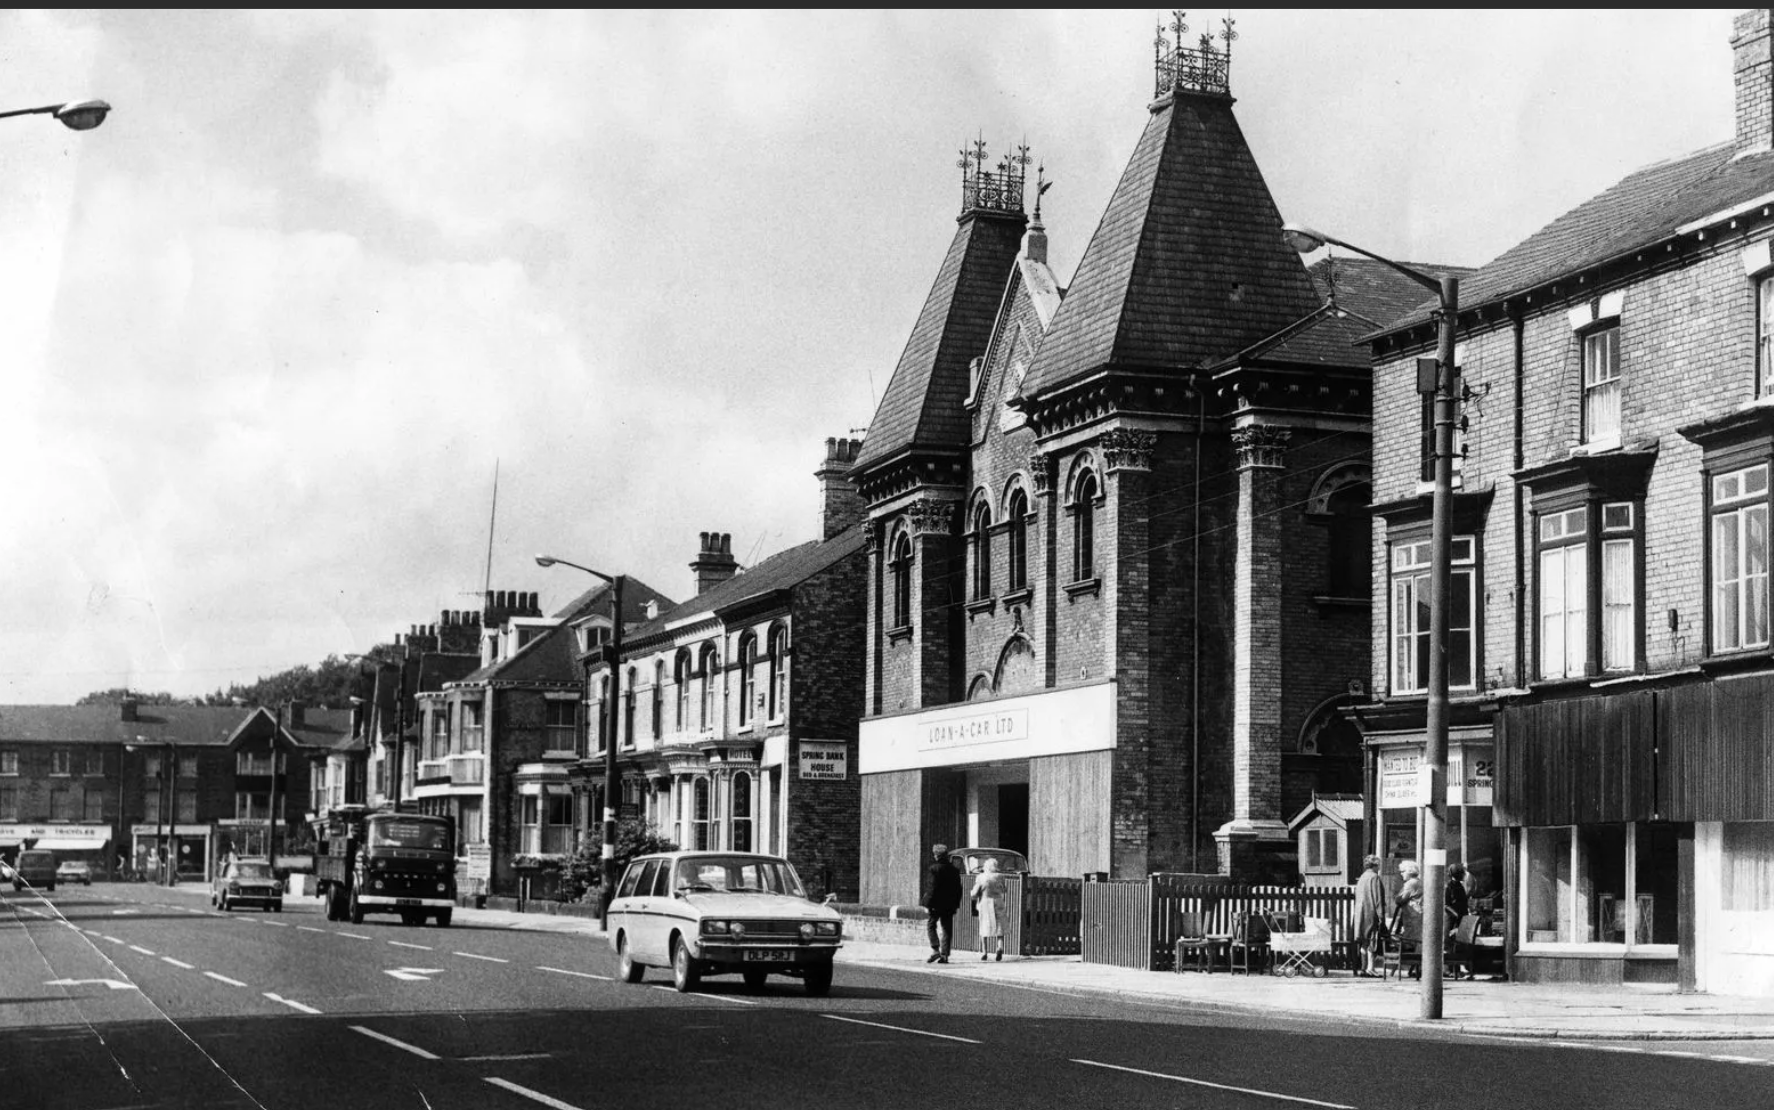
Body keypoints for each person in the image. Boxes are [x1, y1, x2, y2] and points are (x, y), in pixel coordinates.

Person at [922, 843, 962, 964]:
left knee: (931, 925)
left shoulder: (934, 869)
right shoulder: (954, 870)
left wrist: (927, 903)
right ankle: (945, 955)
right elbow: (958, 889)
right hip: (949, 904)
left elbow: (931, 888)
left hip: (936, 904)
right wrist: (956, 903)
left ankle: (935, 950)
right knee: (947, 928)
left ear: (936, 855)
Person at [1353, 855, 1388, 977]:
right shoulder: (1374, 878)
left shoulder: (1362, 878)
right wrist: (1381, 916)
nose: (1379, 867)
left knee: (1364, 940)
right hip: (1371, 913)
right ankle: (1370, 968)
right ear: (1375, 865)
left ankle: (1363, 967)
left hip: (1360, 914)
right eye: (1378, 864)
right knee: (1372, 940)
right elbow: (1378, 899)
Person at [970, 857, 1008, 962]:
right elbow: (1004, 889)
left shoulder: (981, 877)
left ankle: (984, 952)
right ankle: (1000, 947)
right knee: (1000, 926)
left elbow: (974, 893)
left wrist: (972, 893)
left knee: (984, 926)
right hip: (998, 901)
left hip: (985, 903)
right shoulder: (1000, 876)